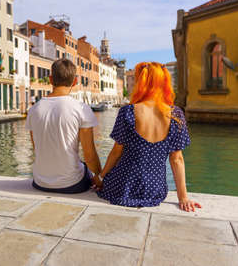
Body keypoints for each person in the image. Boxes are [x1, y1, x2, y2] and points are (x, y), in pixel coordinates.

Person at [94, 62, 201, 212]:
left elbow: (116, 153)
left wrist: (100, 178)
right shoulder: (176, 114)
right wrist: (183, 197)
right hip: (154, 190)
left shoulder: (128, 112)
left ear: (141, 83)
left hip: (122, 187)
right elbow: (177, 159)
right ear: (164, 83)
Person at [26, 59, 102, 194]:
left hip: (39, 182)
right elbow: (89, 155)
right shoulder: (81, 108)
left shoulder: (34, 109)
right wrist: (99, 176)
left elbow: (36, 148)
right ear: (75, 82)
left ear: (50, 79)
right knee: (84, 166)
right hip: (71, 184)